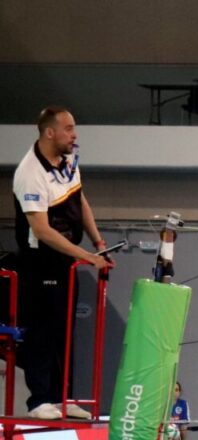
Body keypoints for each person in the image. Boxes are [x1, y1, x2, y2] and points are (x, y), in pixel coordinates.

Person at [12, 106, 113, 420]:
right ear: (49, 132)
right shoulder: (30, 173)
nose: (75, 134)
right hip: (39, 262)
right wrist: (85, 256)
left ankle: (62, 396)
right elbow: (41, 230)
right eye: (69, 128)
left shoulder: (68, 162)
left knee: (65, 331)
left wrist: (97, 242)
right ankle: (39, 400)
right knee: (41, 332)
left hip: (66, 261)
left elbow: (80, 201)